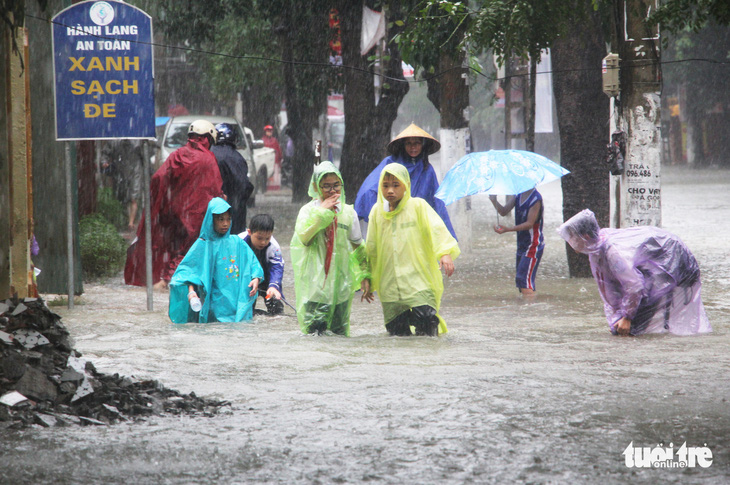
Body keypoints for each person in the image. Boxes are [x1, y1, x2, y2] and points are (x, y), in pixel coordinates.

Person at [557, 209, 712, 336]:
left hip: (675, 267)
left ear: (585, 236)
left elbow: (635, 285)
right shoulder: (597, 249)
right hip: (658, 269)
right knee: (630, 329)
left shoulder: (612, 252)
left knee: (641, 328)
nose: (570, 243)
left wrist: (627, 317)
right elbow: (610, 288)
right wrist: (618, 316)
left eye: (572, 238)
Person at [361, 163, 460, 337]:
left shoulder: (418, 206)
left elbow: (436, 228)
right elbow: (371, 248)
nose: (390, 190)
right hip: (390, 286)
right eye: (385, 186)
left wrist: (445, 253)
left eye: (395, 185)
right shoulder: (377, 212)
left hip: (419, 281)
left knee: (427, 328)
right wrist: (366, 276)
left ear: (406, 185)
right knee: (398, 336)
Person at [124, 119, 224, 290]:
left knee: (174, 247)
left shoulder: (177, 154)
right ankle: (170, 281)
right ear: (208, 138)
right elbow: (214, 189)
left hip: (175, 212)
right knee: (190, 249)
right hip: (196, 214)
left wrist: (166, 201)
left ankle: (166, 279)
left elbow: (158, 178)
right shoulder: (208, 159)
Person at [290, 161, 368, 336]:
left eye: (336, 185)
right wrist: (321, 214)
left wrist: (365, 275)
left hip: (341, 290)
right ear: (316, 187)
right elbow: (304, 239)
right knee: (314, 340)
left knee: (339, 340)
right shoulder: (307, 211)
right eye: (326, 187)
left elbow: (358, 246)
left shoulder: (348, 213)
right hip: (315, 290)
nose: (333, 191)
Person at [168, 198, 264, 323]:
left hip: (237, 304)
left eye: (228, 219)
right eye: (220, 219)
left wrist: (256, 278)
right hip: (215, 306)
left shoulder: (237, 243)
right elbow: (188, 273)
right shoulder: (203, 245)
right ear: (211, 220)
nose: (225, 223)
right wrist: (191, 293)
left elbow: (253, 264)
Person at [354, 123, 456, 239]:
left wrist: (446, 235)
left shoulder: (427, 169)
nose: (413, 147)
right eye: (409, 143)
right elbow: (369, 189)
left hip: (415, 223)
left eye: (417, 143)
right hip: (392, 220)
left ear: (423, 145)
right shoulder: (390, 163)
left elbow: (436, 202)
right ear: (403, 145)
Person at [489, 188, 544, 298]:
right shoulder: (518, 195)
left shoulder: (536, 199)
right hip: (522, 244)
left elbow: (529, 223)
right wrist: (494, 200)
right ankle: (528, 307)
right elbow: (504, 211)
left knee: (523, 279)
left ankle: (530, 308)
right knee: (522, 282)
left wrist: (508, 229)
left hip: (533, 244)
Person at [210, 123, 254, 234]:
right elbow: (243, 186)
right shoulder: (236, 157)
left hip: (210, 210)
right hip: (232, 212)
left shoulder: (208, 153)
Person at [240, 213, 285, 315]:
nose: (263, 242)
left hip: (268, 279)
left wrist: (273, 286)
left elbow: (277, 268)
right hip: (248, 280)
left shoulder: (274, 247)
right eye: (259, 238)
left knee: (275, 305)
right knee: (247, 310)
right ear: (249, 232)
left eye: (267, 238)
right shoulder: (239, 241)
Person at [100, 139, 144, 231]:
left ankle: (131, 222)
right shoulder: (115, 141)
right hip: (121, 172)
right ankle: (127, 220)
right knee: (124, 198)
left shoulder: (138, 140)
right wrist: (104, 162)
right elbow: (106, 152)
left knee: (133, 197)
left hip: (136, 171)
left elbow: (145, 153)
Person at [262, 125, 283, 191]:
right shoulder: (263, 140)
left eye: (270, 131)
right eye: (268, 131)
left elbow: (278, 150)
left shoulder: (274, 140)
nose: (269, 133)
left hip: (275, 161)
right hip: (266, 160)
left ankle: (275, 187)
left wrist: (280, 158)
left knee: (275, 174)